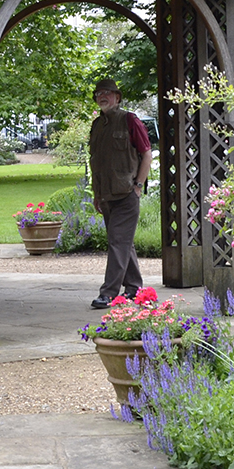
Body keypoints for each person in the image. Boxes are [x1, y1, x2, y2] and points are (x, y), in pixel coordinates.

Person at [87, 77, 153, 310]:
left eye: (107, 92)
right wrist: (97, 194)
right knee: (123, 243)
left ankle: (108, 293)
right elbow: (96, 161)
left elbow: (146, 154)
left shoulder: (130, 120)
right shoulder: (97, 125)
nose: (102, 96)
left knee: (117, 241)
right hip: (106, 197)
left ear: (117, 97)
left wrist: (138, 185)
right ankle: (134, 288)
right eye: (98, 93)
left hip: (126, 194)